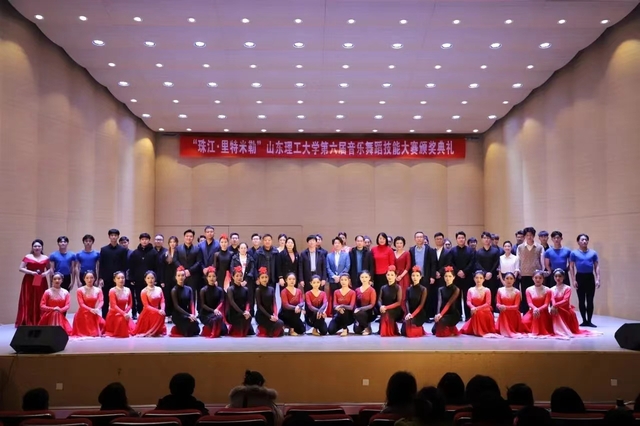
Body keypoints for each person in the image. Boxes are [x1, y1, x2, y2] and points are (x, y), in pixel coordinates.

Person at [550, 269, 599, 338]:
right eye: (556, 276)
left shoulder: (567, 288)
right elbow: (552, 299)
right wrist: (554, 306)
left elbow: (565, 300)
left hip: (565, 310)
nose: (558, 278)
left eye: (560, 276)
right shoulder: (551, 289)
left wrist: (555, 305)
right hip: (556, 310)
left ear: (563, 277)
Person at [16, 239, 51, 327]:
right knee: (28, 299)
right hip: (29, 280)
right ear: (32, 247)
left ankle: (40, 319)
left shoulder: (46, 258)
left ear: (42, 247)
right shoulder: (28, 256)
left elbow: (50, 269)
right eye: (35, 246)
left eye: (39, 246)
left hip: (41, 280)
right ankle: (27, 320)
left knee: (41, 298)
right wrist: (31, 272)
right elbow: (21, 268)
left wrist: (45, 274)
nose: (37, 248)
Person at [570, 234, 600, 327]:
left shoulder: (593, 253)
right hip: (580, 277)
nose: (584, 241)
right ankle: (584, 320)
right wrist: (573, 280)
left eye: (586, 240)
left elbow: (596, 266)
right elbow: (571, 266)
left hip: (590, 277)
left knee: (590, 300)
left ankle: (589, 321)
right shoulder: (574, 253)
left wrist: (598, 279)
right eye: (582, 240)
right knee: (581, 300)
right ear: (578, 242)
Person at [99, 229, 129, 318]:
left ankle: (118, 318)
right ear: (109, 237)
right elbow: (101, 265)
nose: (113, 237)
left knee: (118, 300)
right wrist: (100, 278)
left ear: (118, 237)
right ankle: (104, 319)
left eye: (115, 235)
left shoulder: (123, 250)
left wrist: (122, 278)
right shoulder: (104, 249)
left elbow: (124, 265)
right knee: (105, 299)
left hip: (118, 279)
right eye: (112, 235)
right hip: (106, 278)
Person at [516, 227, 546, 314]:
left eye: (531, 235)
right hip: (524, 274)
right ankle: (526, 316)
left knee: (537, 296)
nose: (529, 237)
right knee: (525, 296)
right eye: (527, 235)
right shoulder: (520, 247)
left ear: (534, 236)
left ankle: (538, 314)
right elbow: (518, 260)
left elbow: (542, 261)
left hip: (536, 276)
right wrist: (518, 271)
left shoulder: (539, 247)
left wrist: (541, 272)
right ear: (524, 236)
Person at [461, 270, 499, 337]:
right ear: (474, 279)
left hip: (485, 311)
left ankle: (480, 330)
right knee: (476, 313)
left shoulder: (487, 290)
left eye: (481, 278)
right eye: (477, 278)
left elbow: (488, 303)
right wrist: (472, 307)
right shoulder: (470, 290)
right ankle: (476, 329)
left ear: (484, 279)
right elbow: (468, 301)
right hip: (475, 311)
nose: (478, 280)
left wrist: (476, 308)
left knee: (477, 313)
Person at [128, 233, 158, 317]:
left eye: (146, 239)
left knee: (151, 298)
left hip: (151, 281)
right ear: (140, 240)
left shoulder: (154, 253)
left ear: (149, 240)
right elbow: (131, 266)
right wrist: (132, 278)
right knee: (139, 297)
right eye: (142, 239)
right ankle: (141, 314)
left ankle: (151, 315)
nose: (144, 241)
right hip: (138, 280)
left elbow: (157, 267)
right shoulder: (135, 253)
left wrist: (156, 279)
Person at [450, 231, 475, 320]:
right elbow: (451, 263)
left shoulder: (470, 250)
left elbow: (472, 263)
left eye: (462, 238)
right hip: (456, 277)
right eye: (459, 238)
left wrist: (464, 272)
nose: (461, 239)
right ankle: (458, 315)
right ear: (456, 239)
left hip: (467, 277)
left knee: (467, 297)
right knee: (456, 296)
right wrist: (458, 272)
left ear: (465, 239)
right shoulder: (452, 251)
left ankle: (468, 316)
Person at [72, 270, 105, 337]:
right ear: (84, 279)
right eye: (87, 278)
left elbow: (101, 301)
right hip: (83, 313)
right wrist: (90, 309)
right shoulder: (80, 290)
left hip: (93, 312)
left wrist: (97, 308)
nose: (89, 280)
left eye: (91, 278)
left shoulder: (98, 290)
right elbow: (81, 304)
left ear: (94, 279)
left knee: (104, 324)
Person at [133, 270, 167, 337]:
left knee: (162, 314)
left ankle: (157, 331)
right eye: (148, 278)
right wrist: (158, 311)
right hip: (148, 312)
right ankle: (152, 331)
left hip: (157, 310)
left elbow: (162, 301)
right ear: (145, 279)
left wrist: (162, 309)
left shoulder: (159, 289)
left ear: (155, 279)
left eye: (152, 278)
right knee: (159, 314)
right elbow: (146, 306)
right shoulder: (144, 291)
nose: (150, 280)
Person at [170, 266, 200, 337]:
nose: (181, 277)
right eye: (179, 275)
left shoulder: (189, 289)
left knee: (197, 330)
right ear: (176, 277)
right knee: (188, 333)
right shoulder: (174, 290)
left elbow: (191, 304)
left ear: (185, 276)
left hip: (187, 313)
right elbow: (176, 306)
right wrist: (188, 315)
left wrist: (193, 315)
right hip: (178, 314)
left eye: (182, 275)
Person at [522, 271, 553, 337]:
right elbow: (529, 303)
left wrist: (538, 309)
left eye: (540, 278)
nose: (538, 279)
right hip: (533, 311)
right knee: (523, 322)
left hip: (543, 312)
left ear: (543, 279)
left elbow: (546, 304)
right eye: (536, 278)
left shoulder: (548, 290)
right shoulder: (528, 289)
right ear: (532, 278)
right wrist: (535, 309)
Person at [495, 272, 527, 338]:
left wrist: (505, 307)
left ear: (514, 280)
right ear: (504, 279)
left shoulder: (517, 291)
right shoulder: (500, 290)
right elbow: (497, 303)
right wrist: (500, 306)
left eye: (511, 278)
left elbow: (516, 306)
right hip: (503, 313)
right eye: (507, 278)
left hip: (513, 315)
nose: (509, 280)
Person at [475, 232, 501, 310]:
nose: (486, 240)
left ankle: (491, 313)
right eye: (484, 238)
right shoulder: (479, 252)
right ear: (482, 239)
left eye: (488, 238)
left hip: (493, 276)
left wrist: (490, 272)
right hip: (482, 277)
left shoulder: (495, 251)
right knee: (482, 295)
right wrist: (485, 273)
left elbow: (496, 263)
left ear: (490, 239)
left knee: (492, 295)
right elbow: (477, 263)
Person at [255, 266, 284, 337]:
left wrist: (275, 315)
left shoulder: (271, 289)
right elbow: (259, 306)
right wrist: (269, 316)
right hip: (262, 315)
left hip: (271, 314)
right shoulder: (258, 290)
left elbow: (274, 303)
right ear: (259, 279)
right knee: (276, 326)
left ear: (268, 278)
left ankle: (269, 330)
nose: (264, 279)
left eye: (266, 277)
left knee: (281, 323)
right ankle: (266, 330)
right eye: (262, 277)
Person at [176, 229, 203, 304]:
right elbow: (175, 260)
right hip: (181, 275)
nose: (189, 238)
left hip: (193, 275)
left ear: (193, 238)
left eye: (191, 236)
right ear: (184, 237)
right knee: (180, 294)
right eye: (187, 236)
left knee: (192, 295)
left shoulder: (197, 249)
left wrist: (189, 271)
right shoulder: (178, 248)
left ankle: (192, 310)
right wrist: (182, 270)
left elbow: (199, 262)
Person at [104, 271, 135, 338]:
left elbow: (130, 304)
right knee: (121, 321)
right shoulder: (112, 290)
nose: (121, 280)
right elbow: (114, 305)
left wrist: (125, 313)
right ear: (114, 280)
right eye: (118, 278)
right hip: (114, 314)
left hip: (124, 313)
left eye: (123, 278)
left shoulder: (128, 290)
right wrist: (123, 314)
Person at [433, 267, 461, 337]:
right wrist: (437, 314)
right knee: (434, 330)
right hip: (443, 313)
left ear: (453, 277)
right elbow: (439, 302)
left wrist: (440, 315)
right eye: (446, 276)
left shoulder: (456, 289)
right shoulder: (440, 289)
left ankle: (451, 328)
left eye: (450, 276)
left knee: (441, 321)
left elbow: (449, 303)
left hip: (453, 314)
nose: (448, 278)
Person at [199, 267, 227, 338]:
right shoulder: (203, 290)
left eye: (213, 276)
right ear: (207, 278)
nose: (212, 278)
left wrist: (217, 309)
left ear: (216, 277)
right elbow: (203, 305)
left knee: (224, 331)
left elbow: (221, 301)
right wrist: (213, 310)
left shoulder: (220, 290)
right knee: (215, 320)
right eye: (209, 276)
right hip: (205, 313)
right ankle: (208, 329)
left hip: (216, 312)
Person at [430, 232, 453, 320]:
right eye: (437, 239)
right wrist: (434, 274)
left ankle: (443, 313)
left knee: (443, 296)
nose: (439, 240)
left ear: (443, 240)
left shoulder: (448, 252)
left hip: (443, 277)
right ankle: (434, 314)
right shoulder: (432, 251)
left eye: (440, 239)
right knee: (434, 296)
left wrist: (440, 272)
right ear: (434, 240)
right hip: (433, 278)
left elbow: (448, 264)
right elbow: (431, 264)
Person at [227, 267, 255, 337]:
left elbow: (248, 302)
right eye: (237, 276)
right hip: (234, 313)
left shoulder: (245, 289)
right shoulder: (230, 289)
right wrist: (242, 313)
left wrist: (247, 311)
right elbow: (232, 303)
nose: (239, 278)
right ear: (233, 277)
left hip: (244, 312)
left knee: (250, 329)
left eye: (240, 276)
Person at [326, 237, 350, 315]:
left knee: (343, 297)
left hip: (343, 280)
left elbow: (347, 267)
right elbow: (327, 267)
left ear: (341, 244)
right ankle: (335, 314)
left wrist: (340, 277)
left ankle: (343, 314)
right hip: (333, 280)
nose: (337, 244)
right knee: (334, 297)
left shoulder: (346, 255)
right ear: (333, 245)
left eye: (338, 243)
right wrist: (334, 276)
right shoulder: (329, 255)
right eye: (335, 243)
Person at [402, 266, 428, 337]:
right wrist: (408, 313)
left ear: (420, 277)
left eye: (417, 276)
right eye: (413, 275)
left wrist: (412, 315)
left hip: (419, 313)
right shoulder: (408, 289)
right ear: (411, 276)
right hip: (410, 313)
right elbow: (406, 302)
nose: (415, 277)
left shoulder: (423, 289)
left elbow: (421, 305)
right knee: (403, 331)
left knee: (410, 330)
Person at [230, 242, 256, 314]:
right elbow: (232, 269)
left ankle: (250, 313)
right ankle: (238, 312)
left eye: (245, 248)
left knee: (249, 297)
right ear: (238, 249)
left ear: (247, 249)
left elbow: (252, 270)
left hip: (248, 281)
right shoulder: (234, 258)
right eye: (241, 248)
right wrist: (238, 280)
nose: (243, 249)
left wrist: (246, 280)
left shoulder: (250, 258)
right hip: (236, 282)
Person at [378, 266, 403, 336]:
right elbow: (379, 300)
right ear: (386, 276)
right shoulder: (383, 287)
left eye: (392, 275)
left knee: (387, 312)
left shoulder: (398, 287)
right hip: (384, 308)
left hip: (396, 310)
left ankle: (389, 331)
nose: (390, 277)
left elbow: (399, 302)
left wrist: (386, 307)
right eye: (388, 275)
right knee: (385, 312)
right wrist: (381, 306)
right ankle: (384, 331)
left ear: (395, 276)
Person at [372, 232, 396, 301]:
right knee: (376, 293)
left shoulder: (389, 250)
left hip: (386, 275)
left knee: (385, 293)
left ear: (386, 240)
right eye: (380, 238)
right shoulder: (373, 249)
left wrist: (390, 275)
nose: (382, 240)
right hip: (375, 275)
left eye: (383, 239)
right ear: (378, 239)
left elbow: (392, 264)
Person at [160, 236, 179, 319]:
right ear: (168, 243)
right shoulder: (165, 254)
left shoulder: (179, 253)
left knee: (175, 296)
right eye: (171, 242)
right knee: (167, 296)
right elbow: (162, 268)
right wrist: (162, 280)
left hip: (176, 277)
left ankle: (175, 315)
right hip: (167, 278)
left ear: (177, 243)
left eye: (174, 242)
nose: (172, 244)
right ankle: (168, 314)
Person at [354, 270, 377, 335]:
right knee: (357, 331)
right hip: (358, 313)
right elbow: (355, 303)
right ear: (360, 278)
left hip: (369, 312)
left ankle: (367, 328)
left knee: (358, 313)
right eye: (362, 277)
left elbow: (372, 304)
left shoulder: (372, 290)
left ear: (369, 278)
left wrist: (360, 309)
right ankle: (363, 323)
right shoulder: (357, 290)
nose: (364, 279)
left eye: (366, 277)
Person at [394, 236, 411, 303]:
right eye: (397, 243)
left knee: (403, 295)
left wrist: (401, 276)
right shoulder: (392, 253)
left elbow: (408, 266)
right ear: (395, 244)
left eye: (401, 243)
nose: (399, 245)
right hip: (394, 276)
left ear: (403, 244)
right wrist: (395, 276)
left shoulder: (407, 253)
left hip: (404, 276)